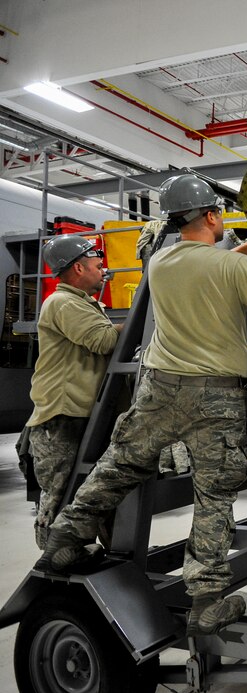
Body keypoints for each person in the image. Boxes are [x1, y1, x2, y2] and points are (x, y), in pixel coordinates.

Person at [36, 173, 247, 637]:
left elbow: (212, 268)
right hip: (215, 395)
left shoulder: (162, 263)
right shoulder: (228, 268)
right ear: (212, 216)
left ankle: (63, 539)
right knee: (214, 495)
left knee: (119, 465)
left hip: (161, 389)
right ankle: (207, 602)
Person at [25, 234, 123, 549]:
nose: (103, 271)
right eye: (97, 265)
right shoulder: (62, 302)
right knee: (60, 494)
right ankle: (52, 566)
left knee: (98, 492)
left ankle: (104, 555)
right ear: (78, 269)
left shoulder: (82, 303)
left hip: (81, 413)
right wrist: (141, 320)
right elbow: (104, 341)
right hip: (61, 418)